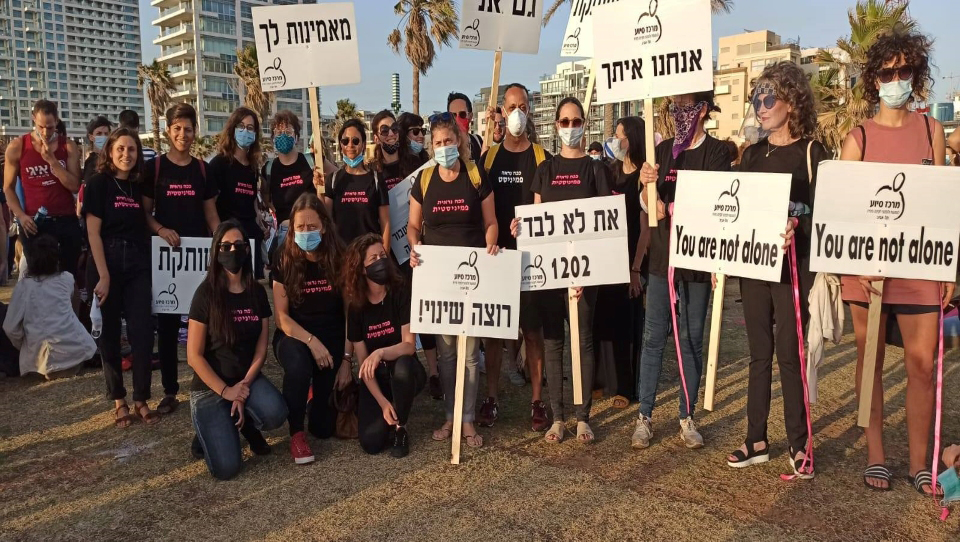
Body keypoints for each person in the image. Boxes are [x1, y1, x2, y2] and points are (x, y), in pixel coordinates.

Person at [837, 31, 950, 494]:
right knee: (872, 361)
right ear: (874, 79)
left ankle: (920, 462)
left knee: (923, 366)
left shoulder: (932, 130)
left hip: (921, 267)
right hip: (869, 275)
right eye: (888, 73)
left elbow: (943, 208)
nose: (897, 80)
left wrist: (947, 271)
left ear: (916, 75)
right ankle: (877, 455)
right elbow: (842, 216)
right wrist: (860, 263)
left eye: (905, 71)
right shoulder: (857, 138)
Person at [726, 62, 829, 479]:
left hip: (793, 269)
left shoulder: (812, 152)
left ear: (792, 100)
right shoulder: (750, 155)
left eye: (770, 97)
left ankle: (799, 444)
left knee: (789, 355)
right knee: (758, 355)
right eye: (757, 97)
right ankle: (756, 440)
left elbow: (826, 215)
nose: (761, 104)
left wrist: (797, 225)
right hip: (754, 269)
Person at [631, 94, 728, 450]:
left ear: (702, 110)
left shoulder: (717, 153)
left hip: (698, 262)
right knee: (653, 338)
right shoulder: (663, 150)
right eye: (675, 108)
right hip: (661, 260)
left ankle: (686, 415)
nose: (680, 115)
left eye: (687, 108)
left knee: (691, 340)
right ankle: (645, 415)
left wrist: (669, 204)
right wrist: (646, 188)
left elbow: (716, 203)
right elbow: (645, 204)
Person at [525, 96, 613, 444]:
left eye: (576, 121)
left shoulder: (596, 170)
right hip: (550, 274)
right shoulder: (544, 170)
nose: (571, 127)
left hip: (584, 275)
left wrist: (582, 275)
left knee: (583, 343)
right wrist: (524, 230)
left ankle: (582, 417)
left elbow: (606, 224)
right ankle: (557, 418)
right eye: (564, 121)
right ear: (556, 126)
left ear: (584, 124)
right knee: (553, 343)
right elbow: (536, 220)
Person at [408, 111, 498, 448]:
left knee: (471, 353)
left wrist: (491, 239)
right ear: (432, 147)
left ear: (459, 141)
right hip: (439, 279)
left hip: (472, 279)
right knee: (446, 354)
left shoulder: (476, 175)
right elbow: (414, 226)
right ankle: (450, 415)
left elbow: (491, 222)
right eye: (438, 143)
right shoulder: (425, 180)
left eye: (449, 141)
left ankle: (469, 420)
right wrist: (415, 248)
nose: (444, 147)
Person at [186, 220, 287, 480]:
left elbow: (261, 349)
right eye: (226, 246)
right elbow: (193, 356)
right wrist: (226, 391)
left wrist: (240, 392)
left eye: (238, 245)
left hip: (245, 381)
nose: (233, 251)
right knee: (227, 469)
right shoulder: (205, 294)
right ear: (216, 251)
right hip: (210, 389)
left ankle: (239, 422)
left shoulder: (256, 292)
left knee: (277, 413)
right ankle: (215, 428)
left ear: (247, 249)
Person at [477, 83, 551, 431]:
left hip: (532, 262)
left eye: (523, 105)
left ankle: (537, 400)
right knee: (494, 334)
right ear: (501, 113)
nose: (517, 112)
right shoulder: (489, 158)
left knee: (533, 332)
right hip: (497, 257)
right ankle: (490, 398)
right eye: (511, 106)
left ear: (529, 110)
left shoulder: (541, 157)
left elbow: (551, 209)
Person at [142, 103, 221, 416]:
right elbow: (145, 213)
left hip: (198, 259)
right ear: (168, 131)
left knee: (207, 323)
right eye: (177, 129)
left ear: (195, 132)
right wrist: (161, 229)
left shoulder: (203, 170)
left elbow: (211, 215)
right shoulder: (155, 168)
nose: (183, 135)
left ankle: (208, 380)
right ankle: (170, 390)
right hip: (167, 260)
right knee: (168, 326)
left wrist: (222, 244)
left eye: (188, 129)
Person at [82, 127, 158, 427]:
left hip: (138, 265)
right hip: (106, 264)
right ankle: (119, 400)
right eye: (121, 149)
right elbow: (92, 233)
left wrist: (162, 230)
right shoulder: (98, 184)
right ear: (110, 152)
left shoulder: (138, 187)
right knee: (110, 337)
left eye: (132, 149)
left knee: (141, 334)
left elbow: (148, 219)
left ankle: (141, 398)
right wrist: (103, 275)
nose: (127, 154)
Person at [273, 193, 352, 464]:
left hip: (331, 339)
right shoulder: (283, 257)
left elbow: (349, 313)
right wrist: (311, 341)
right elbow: (281, 318)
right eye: (300, 227)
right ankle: (296, 433)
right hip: (295, 336)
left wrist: (345, 360)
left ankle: (311, 401)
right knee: (298, 367)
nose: (306, 232)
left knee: (323, 428)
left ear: (325, 226)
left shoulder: (340, 256)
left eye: (312, 226)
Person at [344, 233, 425, 457]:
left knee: (403, 368)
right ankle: (390, 410)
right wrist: (382, 403)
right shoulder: (356, 307)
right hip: (375, 378)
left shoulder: (399, 291)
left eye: (383, 255)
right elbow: (363, 365)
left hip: (404, 369)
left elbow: (409, 345)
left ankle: (401, 427)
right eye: (373, 259)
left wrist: (380, 352)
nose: (380, 261)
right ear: (361, 269)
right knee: (371, 443)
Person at [592, 117, 646, 412]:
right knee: (603, 320)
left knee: (626, 325)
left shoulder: (643, 177)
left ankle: (625, 386)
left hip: (630, 261)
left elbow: (646, 227)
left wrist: (636, 268)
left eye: (619, 136)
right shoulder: (609, 172)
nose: (615, 141)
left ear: (633, 139)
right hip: (605, 260)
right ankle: (602, 381)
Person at [3, 100, 83, 278]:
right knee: (38, 279)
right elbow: (8, 188)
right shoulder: (18, 146)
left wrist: (53, 162)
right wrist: (21, 216)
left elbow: (74, 185)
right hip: (35, 223)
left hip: (65, 220)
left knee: (69, 278)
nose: (46, 132)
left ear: (57, 122)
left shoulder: (67, 146)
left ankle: (70, 307)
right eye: (41, 126)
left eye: (50, 127)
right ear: (33, 119)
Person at [395, 111, 442, 400]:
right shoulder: (387, 167)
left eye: (422, 132)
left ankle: (435, 372)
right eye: (414, 132)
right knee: (406, 312)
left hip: (425, 249)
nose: (420, 137)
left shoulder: (429, 165)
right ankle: (409, 363)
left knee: (427, 310)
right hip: (397, 254)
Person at [3, 234, 96, 377]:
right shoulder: (67, 278)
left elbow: (10, 328)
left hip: (39, 363)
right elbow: (72, 310)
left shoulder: (24, 287)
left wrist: (25, 345)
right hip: (77, 354)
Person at [209, 107, 265, 277]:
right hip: (230, 242)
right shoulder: (219, 164)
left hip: (251, 240)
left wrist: (259, 218)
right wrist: (219, 236)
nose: (245, 131)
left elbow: (252, 199)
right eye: (241, 126)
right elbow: (210, 205)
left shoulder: (253, 167)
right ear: (232, 129)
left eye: (250, 128)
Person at [261, 110, 321, 259]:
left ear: (296, 137)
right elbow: (266, 198)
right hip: (285, 235)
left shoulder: (312, 160)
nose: (283, 136)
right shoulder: (269, 168)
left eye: (288, 131)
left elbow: (337, 177)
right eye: (278, 132)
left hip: (311, 232)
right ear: (273, 138)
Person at [323, 118, 389, 248]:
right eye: (345, 141)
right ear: (340, 145)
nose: (350, 145)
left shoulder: (376, 180)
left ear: (364, 144)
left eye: (356, 141)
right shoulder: (333, 180)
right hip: (341, 257)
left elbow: (385, 224)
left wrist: (384, 258)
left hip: (369, 256)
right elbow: (325, 219)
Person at [369, 110, 406, 191]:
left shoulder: (413, 164)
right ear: (376, 139)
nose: (391, 134)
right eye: (384, 131)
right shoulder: (371, 171)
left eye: (394, 128)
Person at [447, 92, 481, 164]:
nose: (457, 119)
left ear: (470, 116)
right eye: (453, 115)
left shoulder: (478, 142)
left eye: (462, 114)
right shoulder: (445, 146)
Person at [83, 116, 112, 182]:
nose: (103, 136)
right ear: (91, 137)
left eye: (106, 134)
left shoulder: (112, 157)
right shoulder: (90, 162)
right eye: (99, 134)